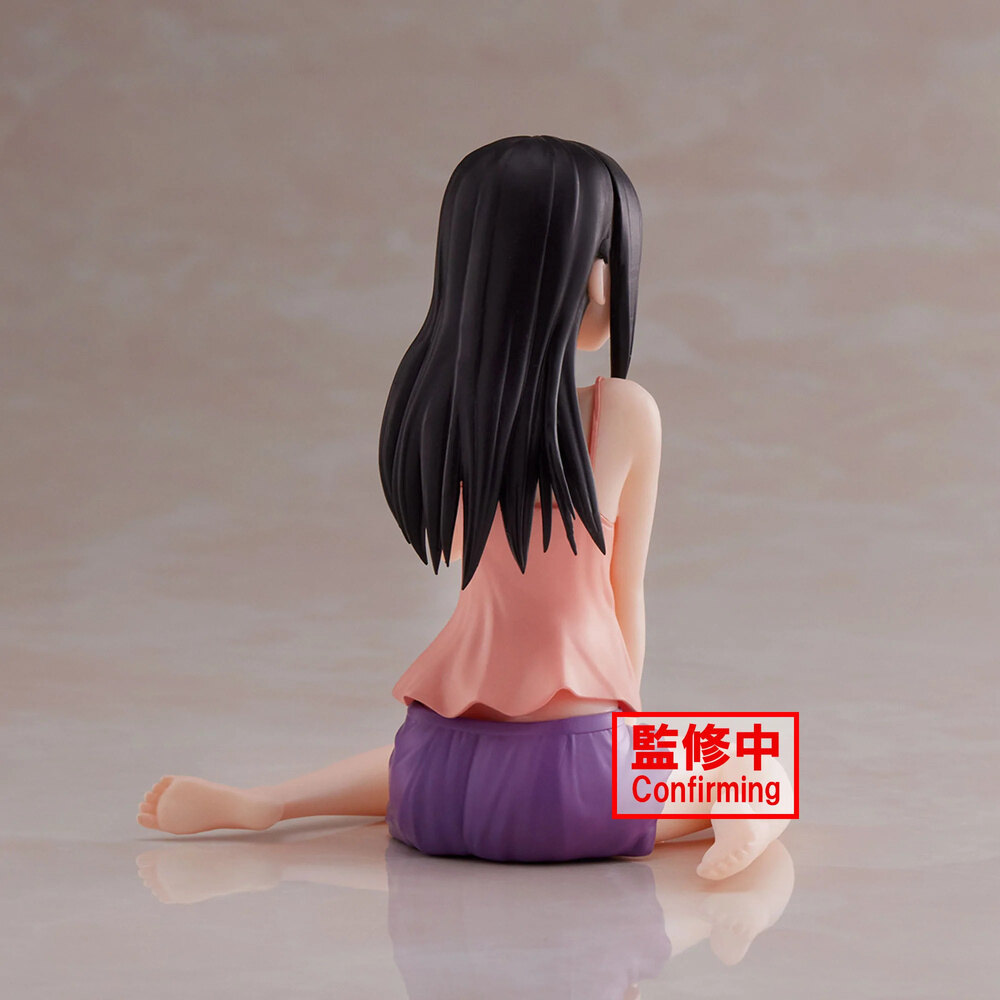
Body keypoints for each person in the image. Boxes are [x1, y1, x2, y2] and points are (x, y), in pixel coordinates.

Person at [137, 136, 790, 876]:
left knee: (417, 756)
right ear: (600, 277)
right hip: (574, 795)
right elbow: (624, 595)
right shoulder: (623, 414)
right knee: (759, 758)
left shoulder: (441, 419)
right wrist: (624, 741)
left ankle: (271, 802)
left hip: (436, 785)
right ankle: (744, 812)